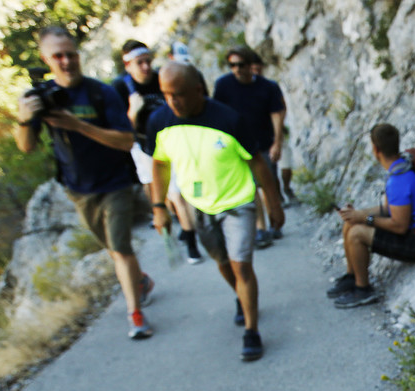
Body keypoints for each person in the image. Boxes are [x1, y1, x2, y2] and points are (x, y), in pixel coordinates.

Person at [14, 25, 154, 340]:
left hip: (115, 181)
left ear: (79, 54)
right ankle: (140, 280)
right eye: (58, 56)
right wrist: (24, 119)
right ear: (46, 59)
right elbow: (26, 146)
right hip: (78, 188)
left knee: (120, 248)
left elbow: (124, 140)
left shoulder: (100, 92)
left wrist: (76, 125)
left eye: (71, 54)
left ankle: (136, 313)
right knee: (112, 248)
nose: (66, 61)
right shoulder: (42, 99)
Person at [147, 62, 284, 361]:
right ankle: (241, 295)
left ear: (198, 90)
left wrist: (274, 204)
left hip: (238, 203)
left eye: (179, 94)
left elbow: (257, 162)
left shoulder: (229, 119)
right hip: (200, 205)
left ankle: (251, 331)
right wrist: (159, 206)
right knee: (222, 263)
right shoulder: (159, 121)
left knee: (241, 266)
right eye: (166, 95)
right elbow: (160, 164)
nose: (173, 102)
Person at [330, 123, 415, 309]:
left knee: (357, 232)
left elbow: (399, 225)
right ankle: (352, 277)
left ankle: (363, 289)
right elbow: (390, 209)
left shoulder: (398, 180)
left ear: (375, 149)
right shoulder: (403, 167)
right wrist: (356, 214)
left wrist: (364, 219)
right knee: (350, 223)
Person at [111, 39, 202, 263]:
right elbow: (122, 132)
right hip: (143, 148)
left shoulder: (162, 77)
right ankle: (180, 223)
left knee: (177, 193)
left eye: (148, 61)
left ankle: (191, 242)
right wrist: (133, 112)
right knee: (158, 191)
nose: (145, 67)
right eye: (139, 63)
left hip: (174, 143)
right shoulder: (121, 88)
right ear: (128, 65)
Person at [212, 46, 286, 247]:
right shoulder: (223, 86)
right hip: (236, 146)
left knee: (268, 183)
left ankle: (274, 220)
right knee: (251, 186)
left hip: (263, 142)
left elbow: (277, 114)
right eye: (232, 65)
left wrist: (277, 142)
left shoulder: (267, 87)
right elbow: (215, 113)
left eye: (241, 64)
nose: (236, 69)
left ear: (250, 65)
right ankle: (260, 229)